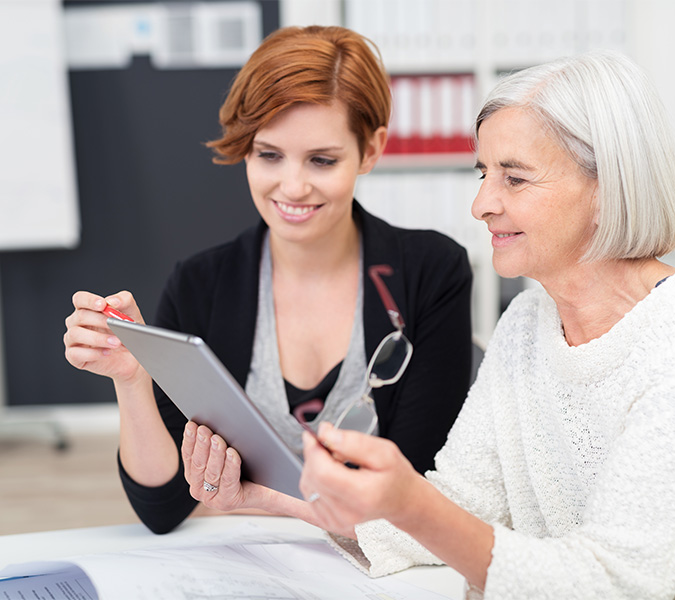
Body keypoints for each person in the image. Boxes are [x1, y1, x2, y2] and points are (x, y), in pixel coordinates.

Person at [280, 50, 675, 598]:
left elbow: (616, 583)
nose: (482, 204)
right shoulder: (527, 324)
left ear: (607, 189)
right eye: (484, 173)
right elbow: (465, 502)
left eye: (515, 178)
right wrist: (276, 501)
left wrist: (412, 504)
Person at [63, 26, 472, 535]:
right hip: (251, 563)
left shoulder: (432, 271)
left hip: (383, 567)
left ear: (371, 150)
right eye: (269, 155)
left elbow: (414, 493)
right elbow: (163, 508)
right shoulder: (199, 286)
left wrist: (256, 499)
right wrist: (132, 380)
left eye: (322, 160)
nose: (293, 186)